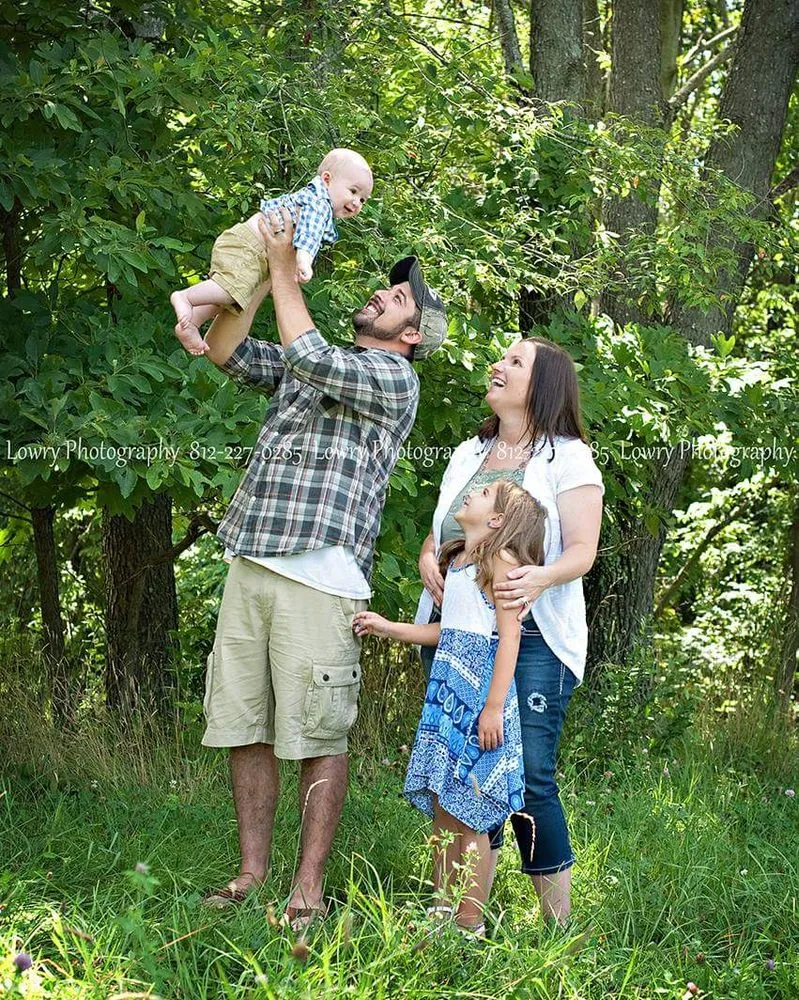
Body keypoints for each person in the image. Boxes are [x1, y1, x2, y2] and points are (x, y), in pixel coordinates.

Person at [198, 203, 447, 931]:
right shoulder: (318, 362)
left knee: (316, 737)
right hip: (252, 559)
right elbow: (228, 353)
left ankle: (306, 889)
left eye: (397, 298)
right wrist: (241, 277)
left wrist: (283, 264)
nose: (380, 293)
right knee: (244, 725)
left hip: (322, 578)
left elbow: (308, 354)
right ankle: (250, 873)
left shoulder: (393, 381)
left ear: (409, 335)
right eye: (390, 287)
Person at [415, 337, 604, 926]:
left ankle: (558, 928)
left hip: (534, 639)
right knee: (466, 777)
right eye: (502, 357)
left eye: (515, 361)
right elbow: (442, 531)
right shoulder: (469, 452)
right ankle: (464, 922)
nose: (498, 364)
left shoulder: (568, 457)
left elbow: (582, 551)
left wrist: (538, 579)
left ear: (544, 385)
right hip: (456, 638)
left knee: (528, 774)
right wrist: (427, 556)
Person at [354, 480, 547, 936]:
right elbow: (449, 632)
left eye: (483, 494)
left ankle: (469, 924)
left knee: (471, 812)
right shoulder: (459, 560)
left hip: (481, 696)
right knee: (444, 808)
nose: (471, 493)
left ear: (497, 520)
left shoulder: (500, 560)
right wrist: (389, 628)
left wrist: (494, 706)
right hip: (447, 694)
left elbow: (509, 636)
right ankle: (440, 915)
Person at [170, 148, 373, 355]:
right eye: (353, 191)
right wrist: (304, 261)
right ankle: (185, 297)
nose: (357, 202)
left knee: (234, 297)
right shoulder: (320, 204)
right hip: (250, 247)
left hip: (253, 251)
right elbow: (308, 236)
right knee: (229, 291)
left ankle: (191, 323)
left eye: (363, 200)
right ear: (327, 180)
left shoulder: (316, 202)